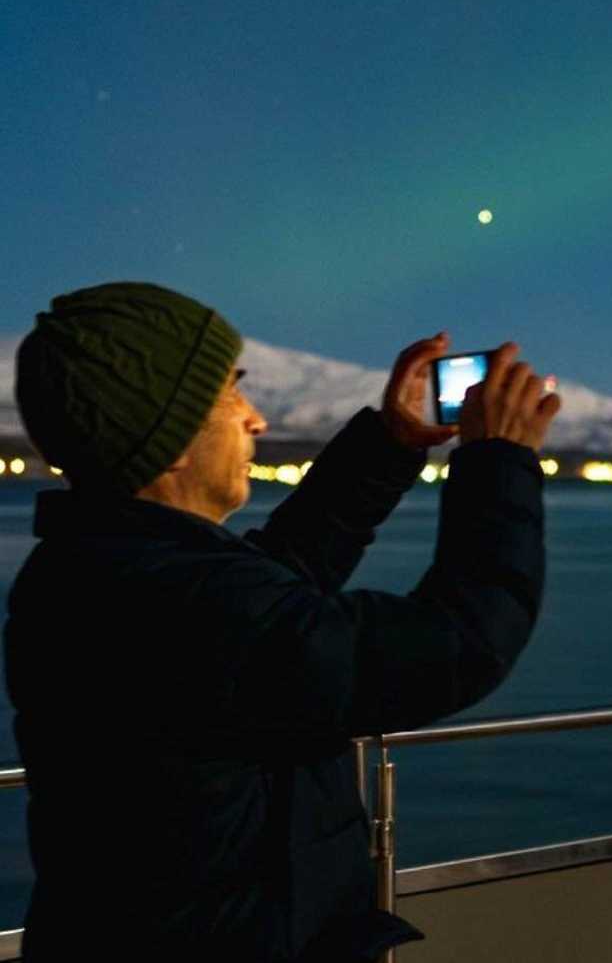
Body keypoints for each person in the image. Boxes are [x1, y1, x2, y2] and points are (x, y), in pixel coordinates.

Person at [4, 282, 561, 961]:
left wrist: (388, 445)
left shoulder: (99, 569)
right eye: (230, 396)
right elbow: (459, 645)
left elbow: (276, 585)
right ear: (172, 438)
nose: (257, 420)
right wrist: (497, 460)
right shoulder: (189, 602)